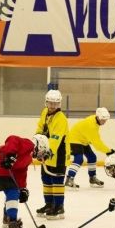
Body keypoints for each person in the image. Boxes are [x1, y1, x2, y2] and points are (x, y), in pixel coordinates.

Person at [0, 134, 51, 228]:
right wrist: (10, 155)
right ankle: (13, 223)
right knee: (13, 191)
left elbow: (21, 173)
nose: (40, 155)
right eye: (42, 151)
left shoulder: (29, 158)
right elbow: (12, 139)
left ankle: (7, 218)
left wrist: (23, 189)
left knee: (13, 192)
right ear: (40, 145)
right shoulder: (29, 145)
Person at [35, 87, 69, 220]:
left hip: (59, 153)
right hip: (47, 152)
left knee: (57, 181)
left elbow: (56, 138)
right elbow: (39, 128)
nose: (52, 106)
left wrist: (48, 151)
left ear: (59, 104)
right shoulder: (44, 112)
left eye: (55, 103)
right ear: (46, 102)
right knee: (46, 179)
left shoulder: (61, 118)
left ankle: (59, 206)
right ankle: (49, 204)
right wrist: (37, 145)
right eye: (50, 103)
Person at [65, 107, 115, 189]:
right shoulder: (91, 125)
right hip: (73, 140)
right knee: (79, 159)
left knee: (92, 157)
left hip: (82, 140)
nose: (104, 121)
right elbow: (97, 144)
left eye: (105, 120)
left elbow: (93, 139)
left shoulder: (95, 120)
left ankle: (92, 178)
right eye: (103, 120)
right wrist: (109, 151)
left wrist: (106, 150)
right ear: (98, 117)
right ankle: (69, 180)